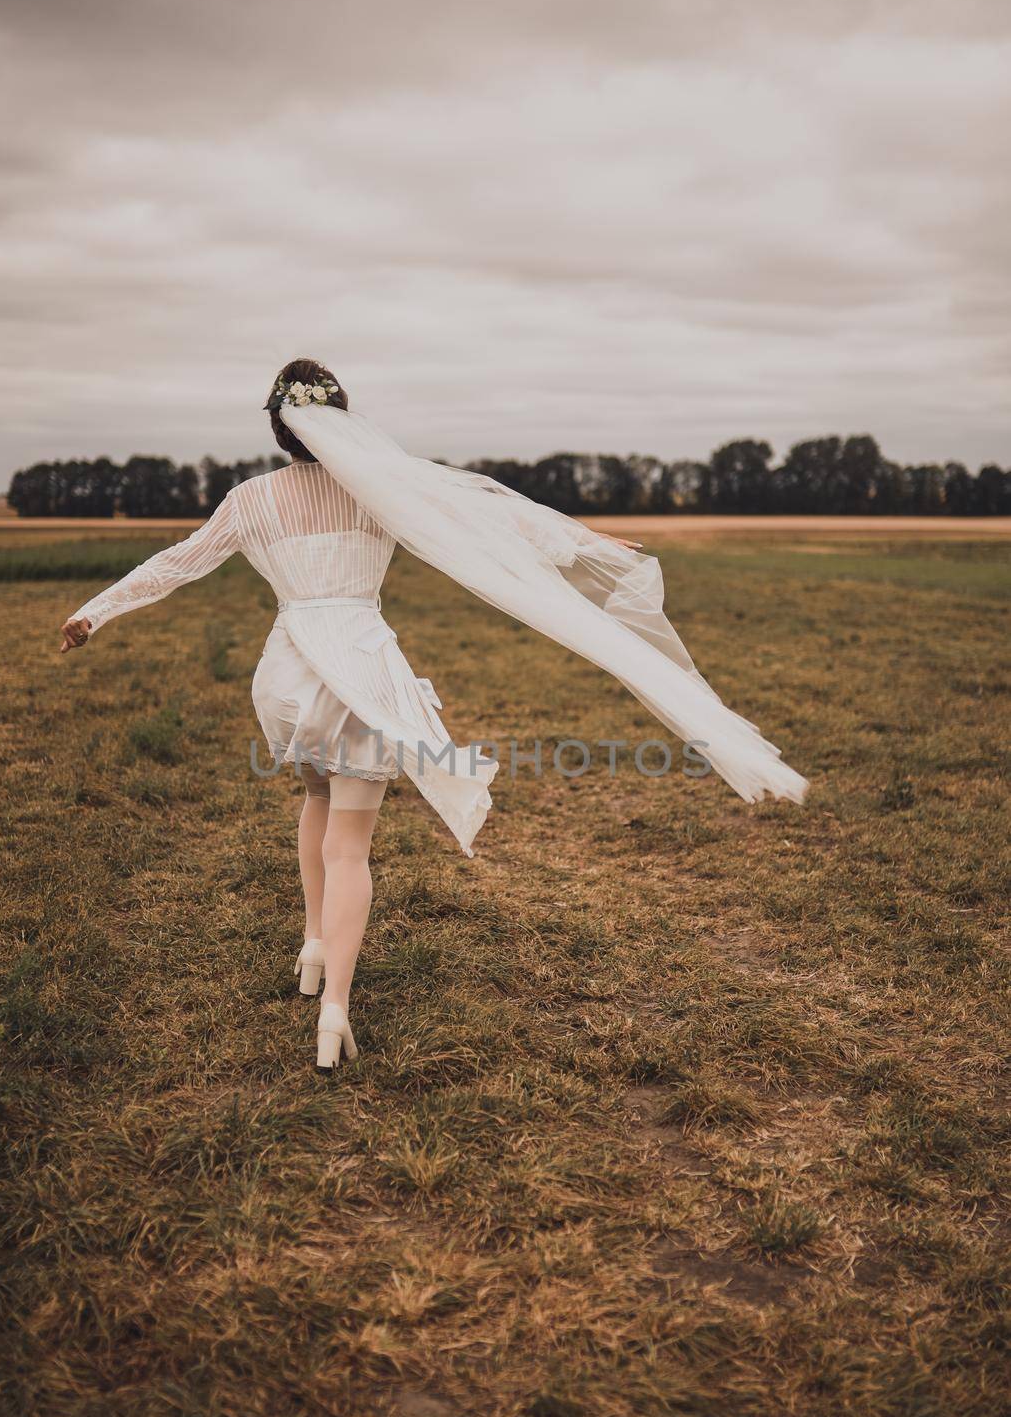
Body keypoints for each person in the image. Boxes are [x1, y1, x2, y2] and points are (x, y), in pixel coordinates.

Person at [62, 357, 807, 1072]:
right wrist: (588, 547)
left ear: (278, 428)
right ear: (340, 418)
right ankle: (337, 1012)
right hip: (358, 670)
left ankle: (314, 946)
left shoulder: (250, 500)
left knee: (316, 797)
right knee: (351, 845)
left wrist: (94, 613)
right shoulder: (380, 488)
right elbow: (490, 517)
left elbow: (177, 562)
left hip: (286, 679)